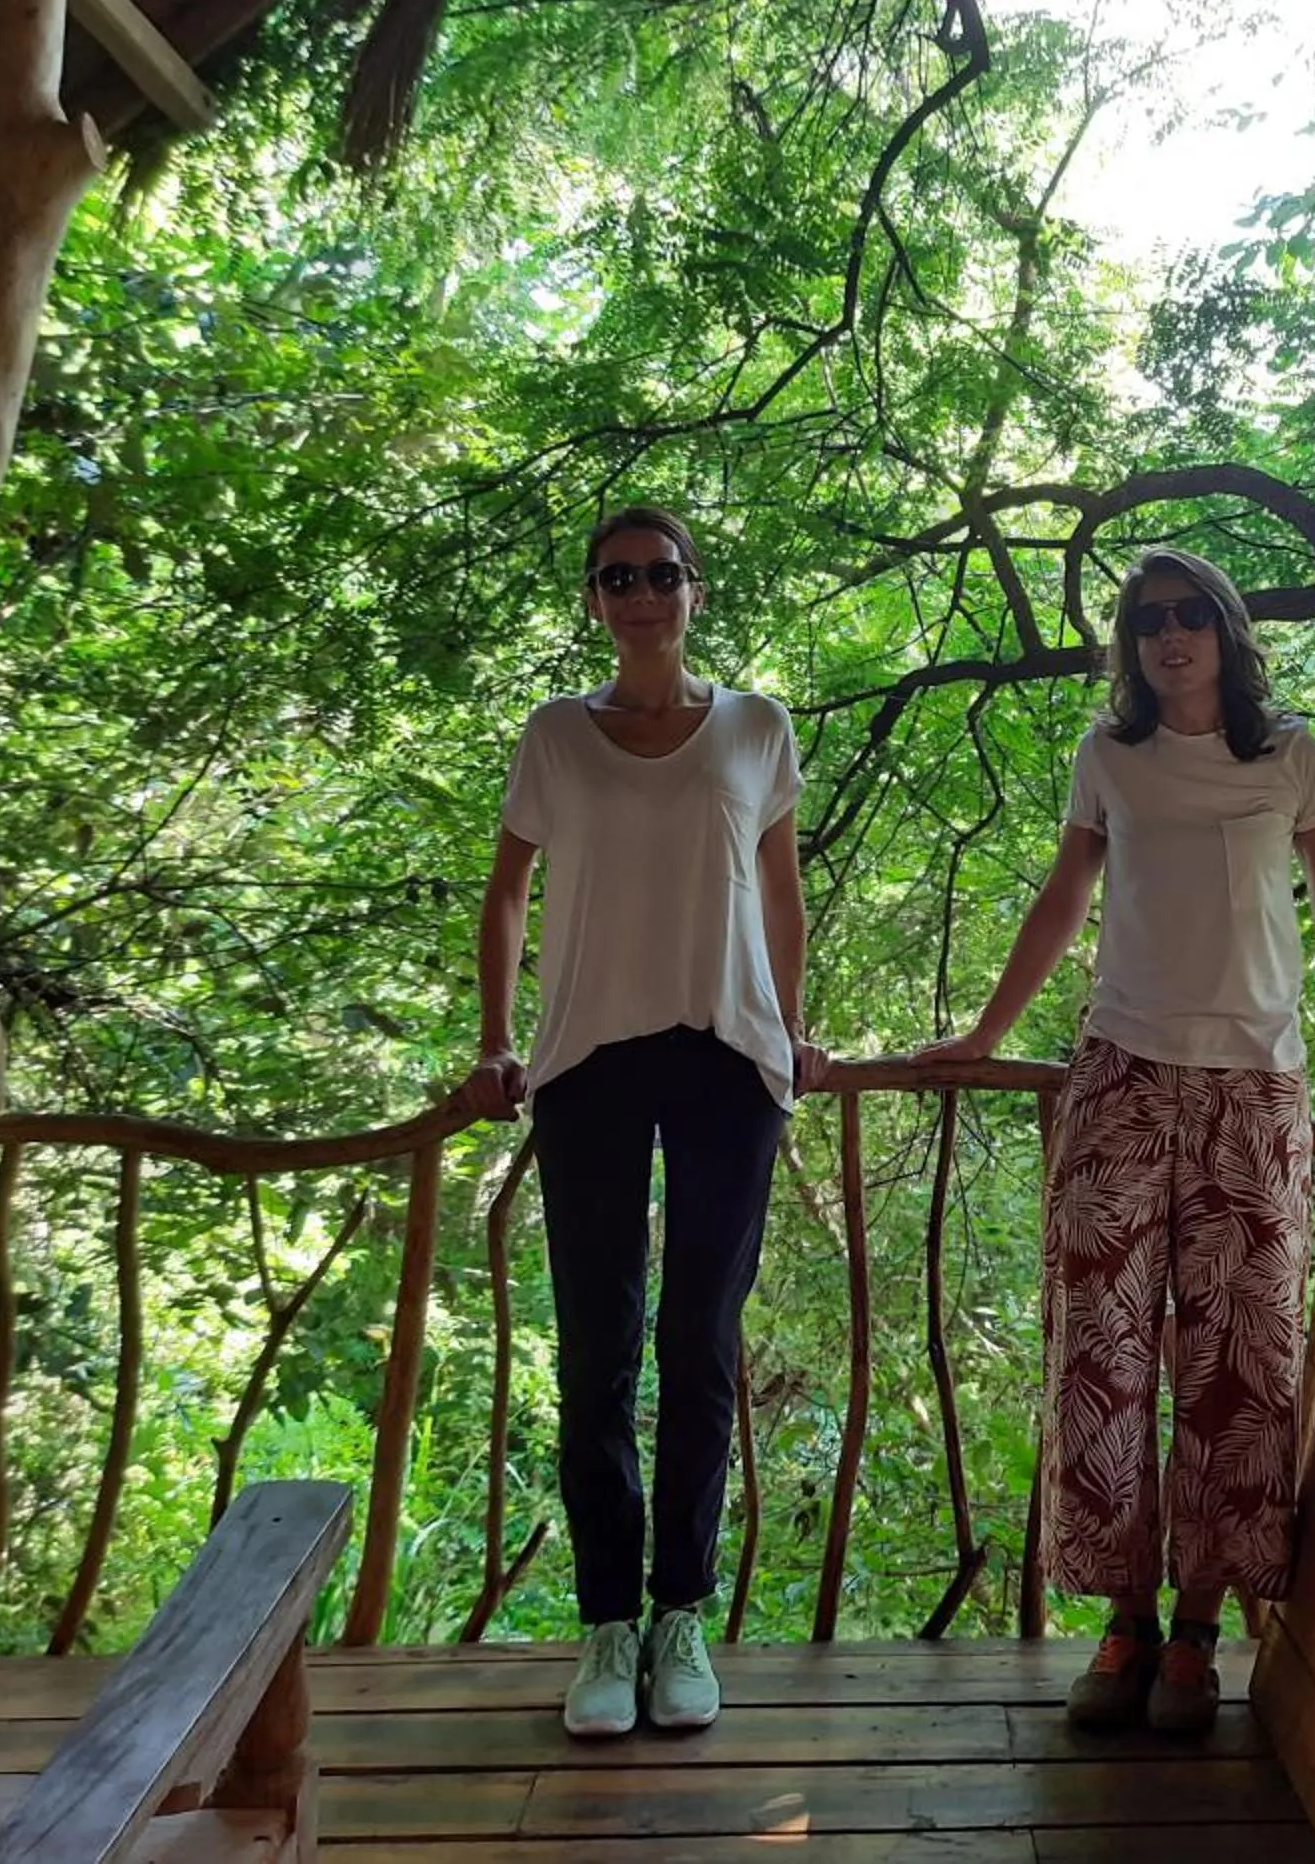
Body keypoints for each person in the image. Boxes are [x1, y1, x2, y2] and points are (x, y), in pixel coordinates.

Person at [915, 547, 1315, 1738]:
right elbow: (1063, 896)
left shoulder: (1288, 755)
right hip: (1123, 1075)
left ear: (1228, 632)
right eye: (1150, 623)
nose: (1171, 636)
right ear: (1131, 647)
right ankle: (1125, 1618)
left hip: (1257, 1083)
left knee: (1240, 1360)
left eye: (1192, 616)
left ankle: (1199, 1626)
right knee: (1103, 1347)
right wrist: (988, 1029)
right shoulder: (1110, 757)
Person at [470, 506, 827, 1739]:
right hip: (586, 1065)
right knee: (598, 1350)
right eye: (617, 578)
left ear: (695, 589)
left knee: (699, 1343)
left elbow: (778, 895)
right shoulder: (558, 737)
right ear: (594, 601)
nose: (641, 594)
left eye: (660, 574)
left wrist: (790, 1025)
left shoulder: (756, 727)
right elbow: (508, 890)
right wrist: (494, 1041)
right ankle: (607, 1627)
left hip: (731, 1061)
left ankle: (684, 1617)